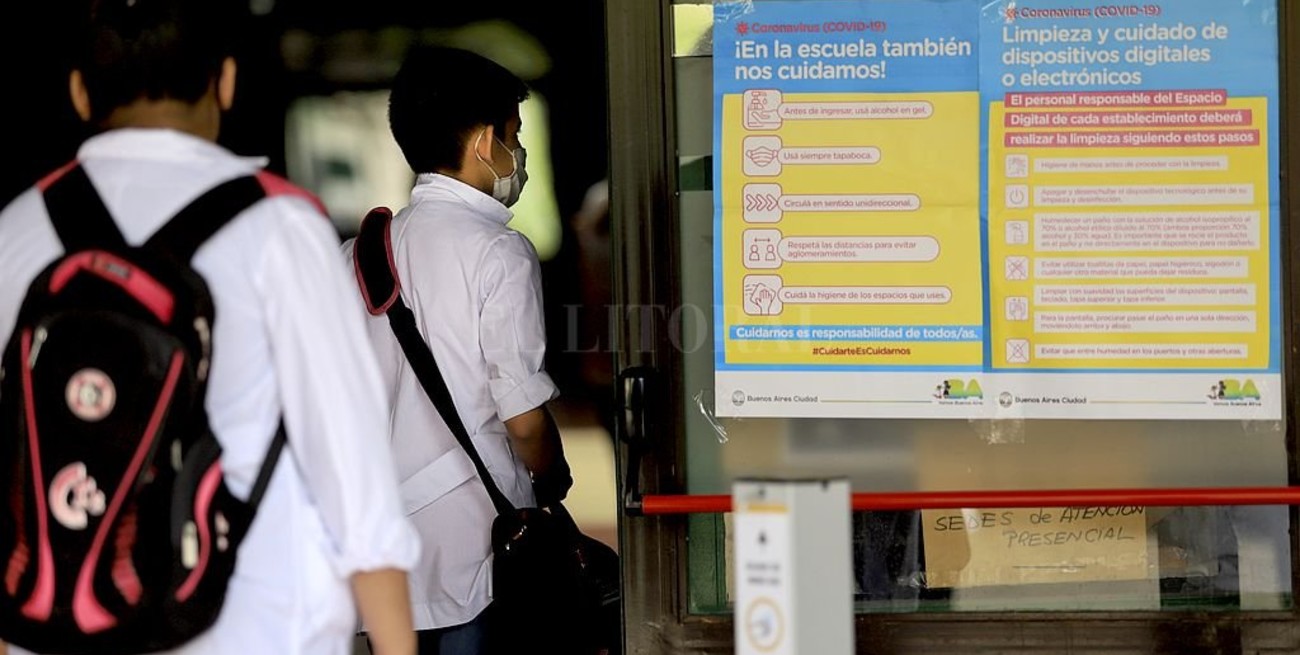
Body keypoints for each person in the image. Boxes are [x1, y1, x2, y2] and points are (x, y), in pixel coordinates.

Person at [0, 0, 419, 653]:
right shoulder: (280, 225)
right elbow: (352, 473)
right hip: (249, 627)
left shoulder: (17, 231)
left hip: (62, 630)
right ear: (225, 81)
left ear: (79, 91)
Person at [343, 46, 572, 654]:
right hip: (479, 551)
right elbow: (523, 420)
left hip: (382, 554)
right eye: (514, 138)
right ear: (483, 142)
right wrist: (553, 475)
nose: (518, 157)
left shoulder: (358, 256)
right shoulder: (499, 253)